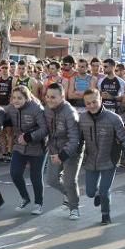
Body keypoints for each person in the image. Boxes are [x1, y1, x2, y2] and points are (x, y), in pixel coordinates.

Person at [79, 89, 125, 224]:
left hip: (109, 159)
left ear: (101, 100)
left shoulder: (113, 118)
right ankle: (98, 192)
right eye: (88, 103)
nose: (91, 105)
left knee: (105, 191)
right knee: (90, 192)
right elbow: (79, 140)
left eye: (94, 102)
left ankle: (106, 214)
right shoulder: (82, 118)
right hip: (91, 160)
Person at [2, 85, 48, 214]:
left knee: (35, 177)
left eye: (19, 98)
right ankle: (25, 198)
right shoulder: (11, 108)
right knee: (15, 173)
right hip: (20, 145)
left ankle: (38, 204)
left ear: (27, 98)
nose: (16, 100)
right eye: (14, 98)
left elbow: (44, 129)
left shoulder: (36, 108)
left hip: (38, 146)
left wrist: (29, 137)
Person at [44, 81, 83, 219]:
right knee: (51, 180)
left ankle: (74, 207)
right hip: (54, 148)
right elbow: (43, 129)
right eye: (47, 96)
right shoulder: (47, 108)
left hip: (71, 151)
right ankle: (69, 194)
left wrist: (62, 155)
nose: (49, 99)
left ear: (62, 97)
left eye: (53, 97)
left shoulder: (70, 113)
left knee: (69, 181)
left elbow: (74, 140)